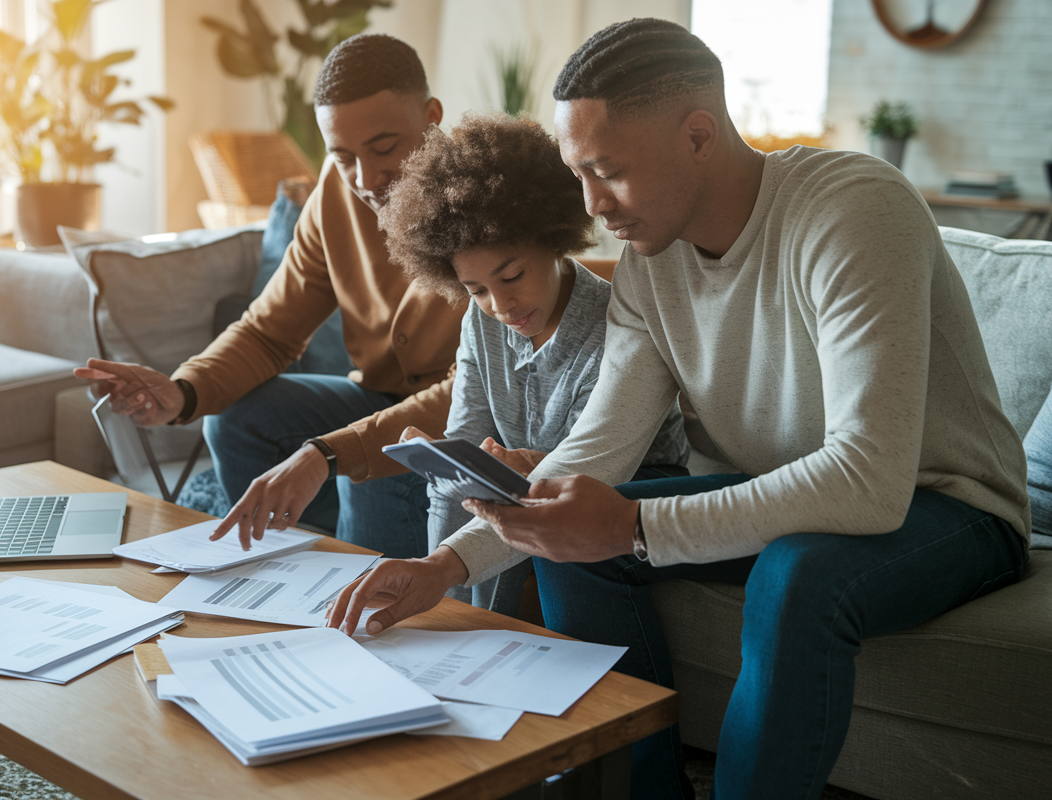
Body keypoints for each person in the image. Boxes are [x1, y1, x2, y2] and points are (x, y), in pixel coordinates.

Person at [327, 18, 1030, 800]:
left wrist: (630, 527)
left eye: (608, 172)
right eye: (578, 174)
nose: (591, 206)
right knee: (574, 534)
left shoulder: (853, 210)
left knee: (795, 576)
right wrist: (442, 566)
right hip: (796, 494)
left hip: (946, 506)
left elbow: (869, 480)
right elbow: (596, 451)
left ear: (699, 135)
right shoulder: (649, 266)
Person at [75, 34, 463, 559]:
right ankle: (296, 567)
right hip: (380, 400)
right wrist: (183, 392)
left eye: (385, 148)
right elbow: (268, 332)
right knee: (236, 417)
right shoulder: (336, 192)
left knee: (371, 469)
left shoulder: (483, 199)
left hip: (464, 424)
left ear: (432, 117)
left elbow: (474, 388)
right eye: (343, 156)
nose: (365, 179)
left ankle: (360, 581)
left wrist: (332, 452)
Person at [378, 112, 688, 617]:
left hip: (625, 483)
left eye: (513, 275)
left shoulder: (618, 329)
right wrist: (440, 604)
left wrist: (518, 472)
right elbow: (458, 479)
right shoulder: (481, 324)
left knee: (533, 523)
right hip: (526, 483)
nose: (500, 305)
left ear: (553, 238)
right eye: (476, 289)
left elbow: (584, 471)